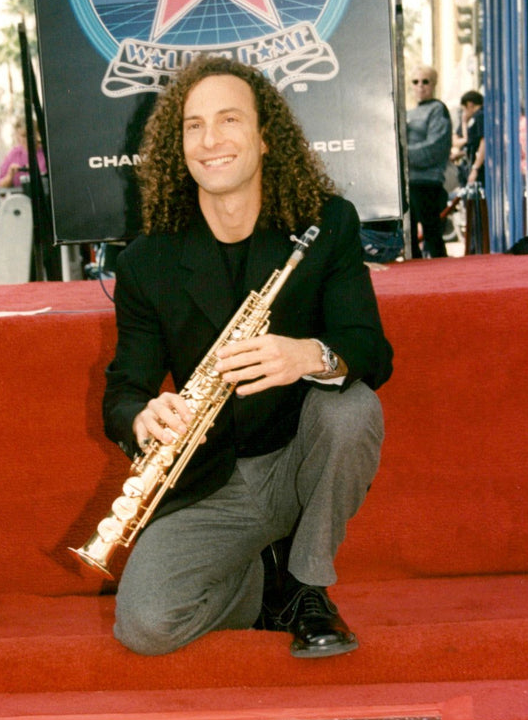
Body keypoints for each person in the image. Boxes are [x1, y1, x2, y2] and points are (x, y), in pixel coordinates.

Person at [101, 55, 392, 660]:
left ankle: (307, 583)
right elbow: (123, 388)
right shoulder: (145, 262)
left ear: (264, 137)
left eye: (229, 119)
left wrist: (307, 355)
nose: (210, 141)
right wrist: (140, 417)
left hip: (297, 457)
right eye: (193, 125)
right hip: (214, 478)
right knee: (146, 626)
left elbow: (370, 349)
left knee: (352, 410)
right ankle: (268, 591)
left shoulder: (325, 224)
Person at [405, 65, 453, 258]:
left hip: (428, 184)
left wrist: (402, 155)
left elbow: (435, 148)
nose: (420, 86)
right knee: (409, 241)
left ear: (433, 84)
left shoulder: (437, 110)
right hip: (409, 183)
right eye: (415, 82)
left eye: (425, 82)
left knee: (433, 237)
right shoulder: (409, 113)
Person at [0, 118, 46, 189]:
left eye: (31, 134)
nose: (28, 138)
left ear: (37, 134)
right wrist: (10, 175)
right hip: (19, 199)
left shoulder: (46, 153)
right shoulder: (13, 154)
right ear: (17, 136)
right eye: (23, 136)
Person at [452, 90, 485, 188]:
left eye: (464, 109)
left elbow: (483, 143)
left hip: (480, 167)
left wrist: (475, 168)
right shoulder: (476, 117)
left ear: (470, 105)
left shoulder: (479, 117)